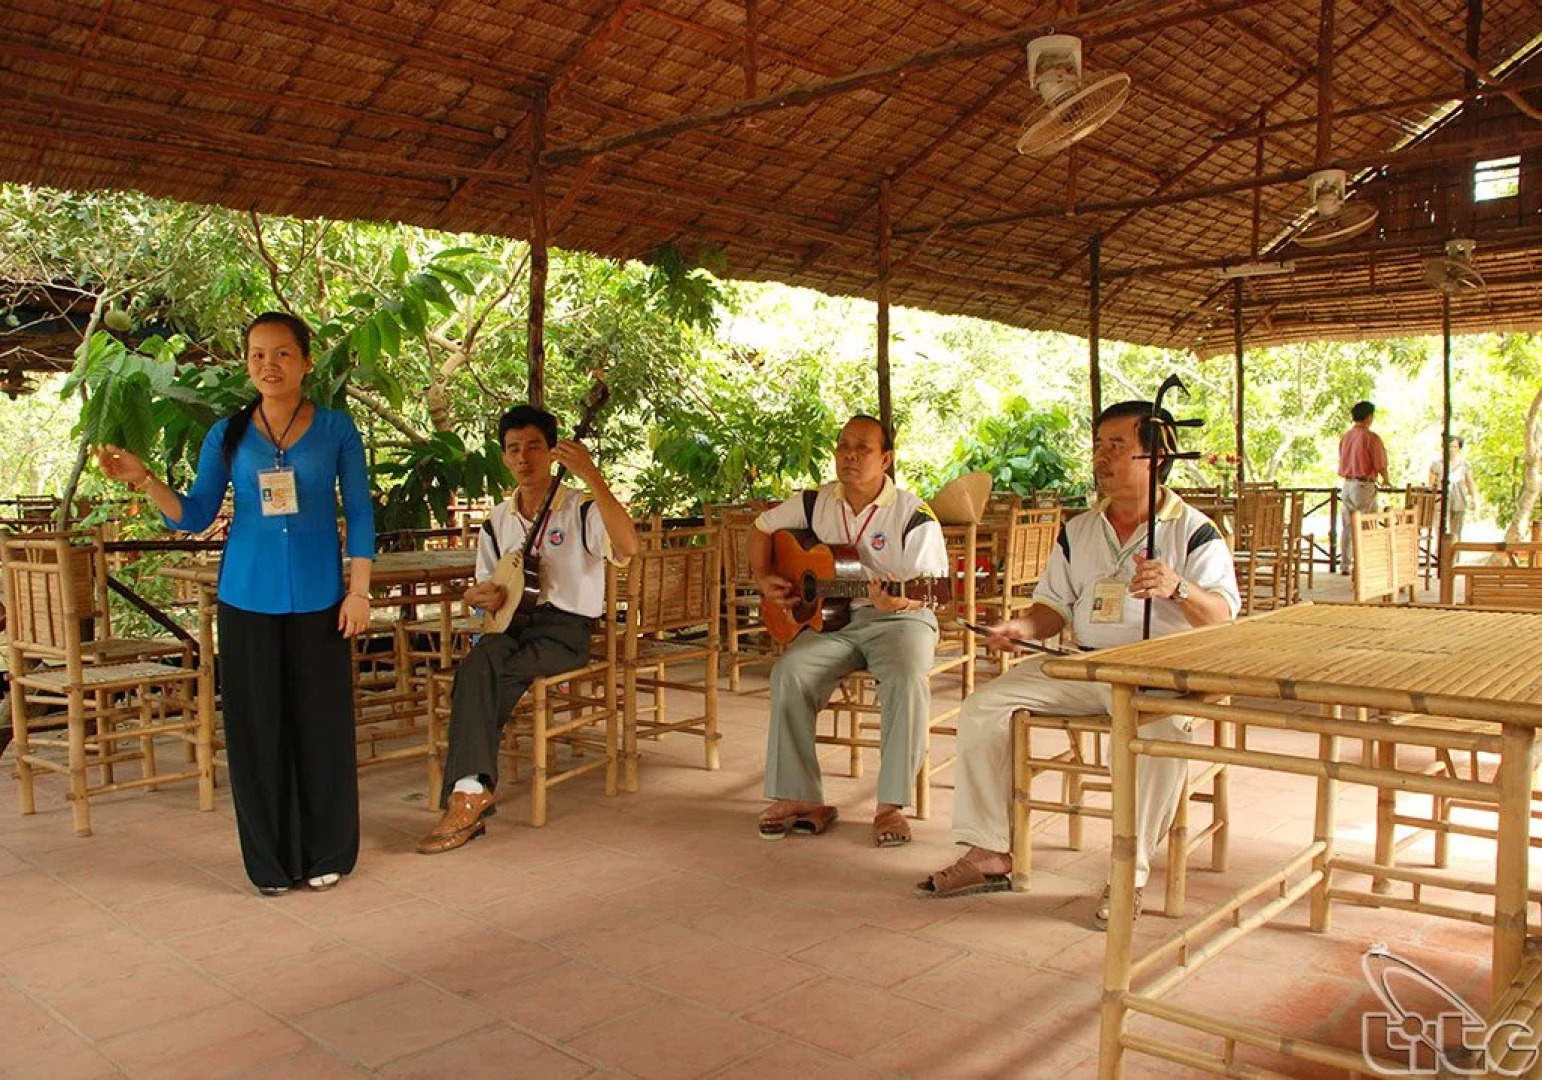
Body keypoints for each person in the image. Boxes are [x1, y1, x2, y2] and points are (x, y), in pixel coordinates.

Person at [916, 401, 1240, 929]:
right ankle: (991, 852)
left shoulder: (1194, 531)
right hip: (1084, 667)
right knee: (984, 708)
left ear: (1156, 455)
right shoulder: (1080, 528)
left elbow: (1223, 617)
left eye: (1116, 445)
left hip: (1161, 677)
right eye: (1098, 445)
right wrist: (1022, 628)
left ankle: (1128, 874)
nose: (1101, 457)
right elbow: (1053, 607)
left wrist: (1178, 587)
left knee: (1149, 738)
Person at [97, 312, 375, 896]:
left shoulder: (337, 429)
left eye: (281, 354)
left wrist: (359, 589)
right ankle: (270, 865)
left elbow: (361, 512)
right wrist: (144, 478)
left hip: (323, 598)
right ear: (246, 363)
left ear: (305, 360)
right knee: (257, 731)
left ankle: (327, 851)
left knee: (320, 727)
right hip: (246, 596)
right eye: (256, 355)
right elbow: (196, 515)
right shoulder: (226, 434)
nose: (267, 365)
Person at [417, 404, 638, 854]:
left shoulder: (580, 508)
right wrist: (479, 597)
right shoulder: (497, 521)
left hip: (564, 631)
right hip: (513, 625)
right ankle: (472, 790)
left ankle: (467, 794)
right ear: (503, 457)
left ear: (552, 452)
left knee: (480, 677)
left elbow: (629, 544)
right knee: (482, 659)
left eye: (534, 447)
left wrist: (593, 476)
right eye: (514, 449)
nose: (524, 458)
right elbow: (489, 588)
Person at [752, 414, 947, 847]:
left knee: (906, 673)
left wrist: (898, 600)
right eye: (843, 447)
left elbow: (929, 590)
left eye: (863, 448)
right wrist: (764, 577)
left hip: (901, 618)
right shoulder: (812, 502)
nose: (850, 456)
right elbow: (761, 528)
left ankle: (891, 806)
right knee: (790, 673)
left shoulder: (914, 515)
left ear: (886, 459)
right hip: (833, 620)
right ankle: (801, 797)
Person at [1337, 401, 1390, 575]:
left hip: (1347, 485)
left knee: (1348, 526)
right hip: (1363, 485)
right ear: (1369, 417)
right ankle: (1365, 564)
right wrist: (1386, 480)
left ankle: (1345, 564)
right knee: (1367, 525)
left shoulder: (1346, 437)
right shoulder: (1371, 438)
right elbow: (1380, 463)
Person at [1428, 437, 1478, 542]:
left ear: (1459, 448)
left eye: (1455, 446)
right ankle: (1441, 556)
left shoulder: (1464, 465)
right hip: (1441, 502)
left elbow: (1470, 482)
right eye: (1449, 446)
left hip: (1459, 500)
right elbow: (1431, 484)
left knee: (1456, 533)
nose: (1451, 449)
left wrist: (1474, 499)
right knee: (1440, 532)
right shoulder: (1437, 464)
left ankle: (1454, 557)